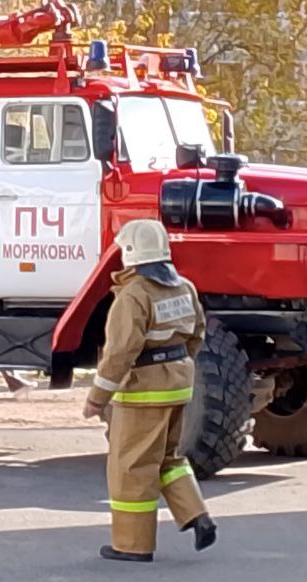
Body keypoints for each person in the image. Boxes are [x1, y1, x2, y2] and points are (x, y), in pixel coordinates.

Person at [83, 219, 216, 563]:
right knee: (169, 459)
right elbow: (197, 334)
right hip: (177, 385)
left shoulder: (134, 295)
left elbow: (120, 352)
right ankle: (197, 515)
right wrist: (176, 367)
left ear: (129, 253)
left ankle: (132, 544)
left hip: (143, 391)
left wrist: (97, 397)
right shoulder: (184, 288)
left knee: (131, 466)